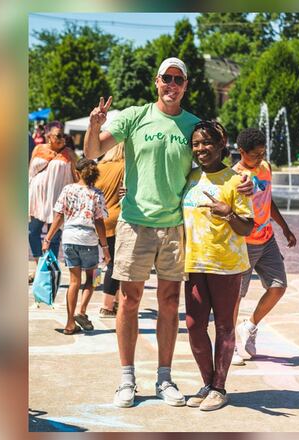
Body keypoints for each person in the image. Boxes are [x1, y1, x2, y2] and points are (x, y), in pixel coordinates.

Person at [84, 57, 253, 408]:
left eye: (179, 79)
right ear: (156, 82)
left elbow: (212, 160)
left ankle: (164, 378)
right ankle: (126, 379)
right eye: (166, 78)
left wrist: (244, 177)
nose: (172, 84)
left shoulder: (192, 125)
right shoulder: (134, 116)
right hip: (134, 222)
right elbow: (92, 151)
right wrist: (94, 125)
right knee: (128, 301)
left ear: (186, 85)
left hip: (175, 226)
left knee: (169, 304)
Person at [182, 121, 253, 411]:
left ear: (222, 145)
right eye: (196, 143)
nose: (201, 149)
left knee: (224, 325)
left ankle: (220, 387)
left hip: (226, 264)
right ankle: (208, 383)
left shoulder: (235, 181)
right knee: (194, 326)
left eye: (207, 143)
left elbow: (247, 227)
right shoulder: (189, 177)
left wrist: (229, 213)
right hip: (194, 262)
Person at [231, 128, 298, 366]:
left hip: (266, 239)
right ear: (241, 152)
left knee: (278, 286)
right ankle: (231, 346)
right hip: (244, 244)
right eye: (255, 154)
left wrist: (284, 227)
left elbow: (268, 201)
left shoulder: (265, 168)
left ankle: (249, 326)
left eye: (262, 153)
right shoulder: (234, 176)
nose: (260, 158)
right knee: (235, 297)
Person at [42, 158, 111, 335]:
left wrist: (47, 239)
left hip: (69, 238)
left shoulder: (68, 189)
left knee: (74, 282)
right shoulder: (97, 194)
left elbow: (58, 217)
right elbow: (99, 221)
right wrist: (105, 247)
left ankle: (70, 323)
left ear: (77, 173)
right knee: (94, 278)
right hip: (88, 239)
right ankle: (82, 311)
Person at [28, 121, 78, 283]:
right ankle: (39, 266)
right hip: (38, 200)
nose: (61, 137)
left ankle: (49, 271)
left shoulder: (69, 153)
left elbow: (77, 176)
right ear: (48, 136)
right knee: (32, 233)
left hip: (58, 201)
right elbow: (31, 173)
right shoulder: (38, 149)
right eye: (58, 135)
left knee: (54, 238)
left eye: (62, 135)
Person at [94, 143, 125, 318]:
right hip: (116, 220)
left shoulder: (99, 166)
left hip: (98, 220)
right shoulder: (125, 167)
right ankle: (107, 305)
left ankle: (116, 302)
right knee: (116, 264)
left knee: (107, 261)